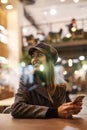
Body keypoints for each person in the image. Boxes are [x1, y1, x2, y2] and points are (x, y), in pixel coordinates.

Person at [11, 42, 82, 119]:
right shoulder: (27, 79)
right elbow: (16, 108)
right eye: (33, 56)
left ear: (50, 60)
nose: (34, 59)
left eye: (39, 55)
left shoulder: (61, 84)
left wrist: (71, 110)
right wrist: (54, 112)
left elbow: (62, 114)